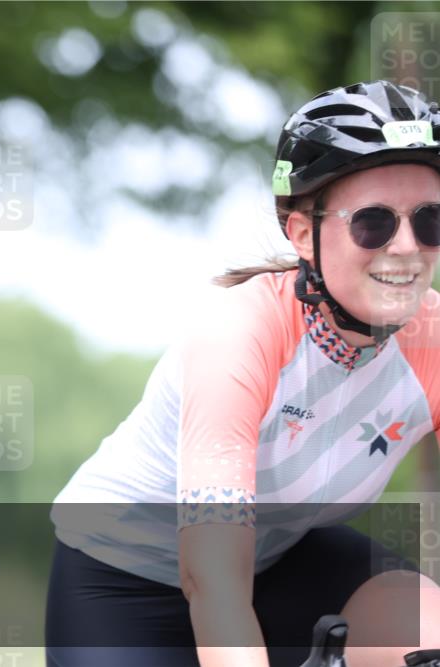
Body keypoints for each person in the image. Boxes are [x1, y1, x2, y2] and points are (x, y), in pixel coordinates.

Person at [46, 80, 440, 667]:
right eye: (373, 222)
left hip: (282, 560)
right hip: (125, 578)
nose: (407, 247)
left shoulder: (433, 338)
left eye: (431, 220)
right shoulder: (239, 332)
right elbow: (213, 580)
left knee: (425, 634)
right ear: (303, 234)